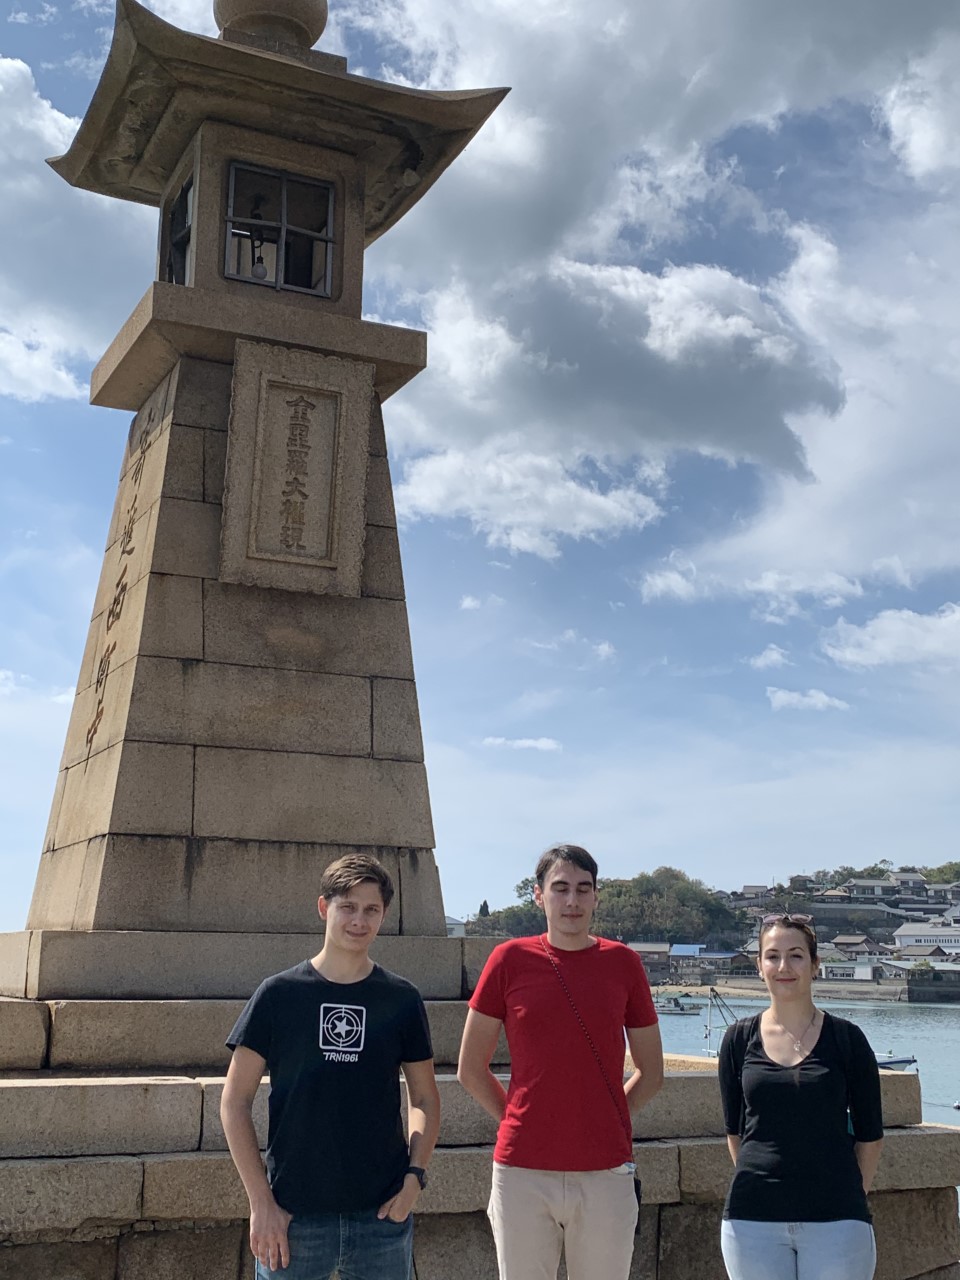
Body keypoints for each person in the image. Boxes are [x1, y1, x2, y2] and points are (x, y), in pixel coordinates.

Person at [221, 853, 441, 1279]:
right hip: (292, 1219)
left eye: (371, 909)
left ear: (384, 915)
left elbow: (425, 1099)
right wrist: (261, 1202)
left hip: (381, 1219)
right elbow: (234, 1101)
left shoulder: (402, 999)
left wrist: (414, 1179)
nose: (359, 920)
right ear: (324, 908)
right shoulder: (278, 995)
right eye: (348, 907)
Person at [458, 843, 664, 1280]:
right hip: (521, 1171)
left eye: (583, 889)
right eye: (560, 888)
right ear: (539, 895)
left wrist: (610, 1118)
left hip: (606, 1170)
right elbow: (470, 1068)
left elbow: (651, 1072)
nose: (572, 900)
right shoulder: (508, 960)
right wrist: (515, 1118)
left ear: (596, 896)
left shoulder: (624, 963)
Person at [718, 912, 884, 1280]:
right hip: (752, 1220)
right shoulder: (738, 1040)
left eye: (795, 955)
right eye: (772, 956)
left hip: (838, 1219)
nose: (784, 967)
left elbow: (871, 1136)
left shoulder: (847, 1040)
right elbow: (735, 1131)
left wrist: (848, 1195)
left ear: (815, 965)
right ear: (759, 966)